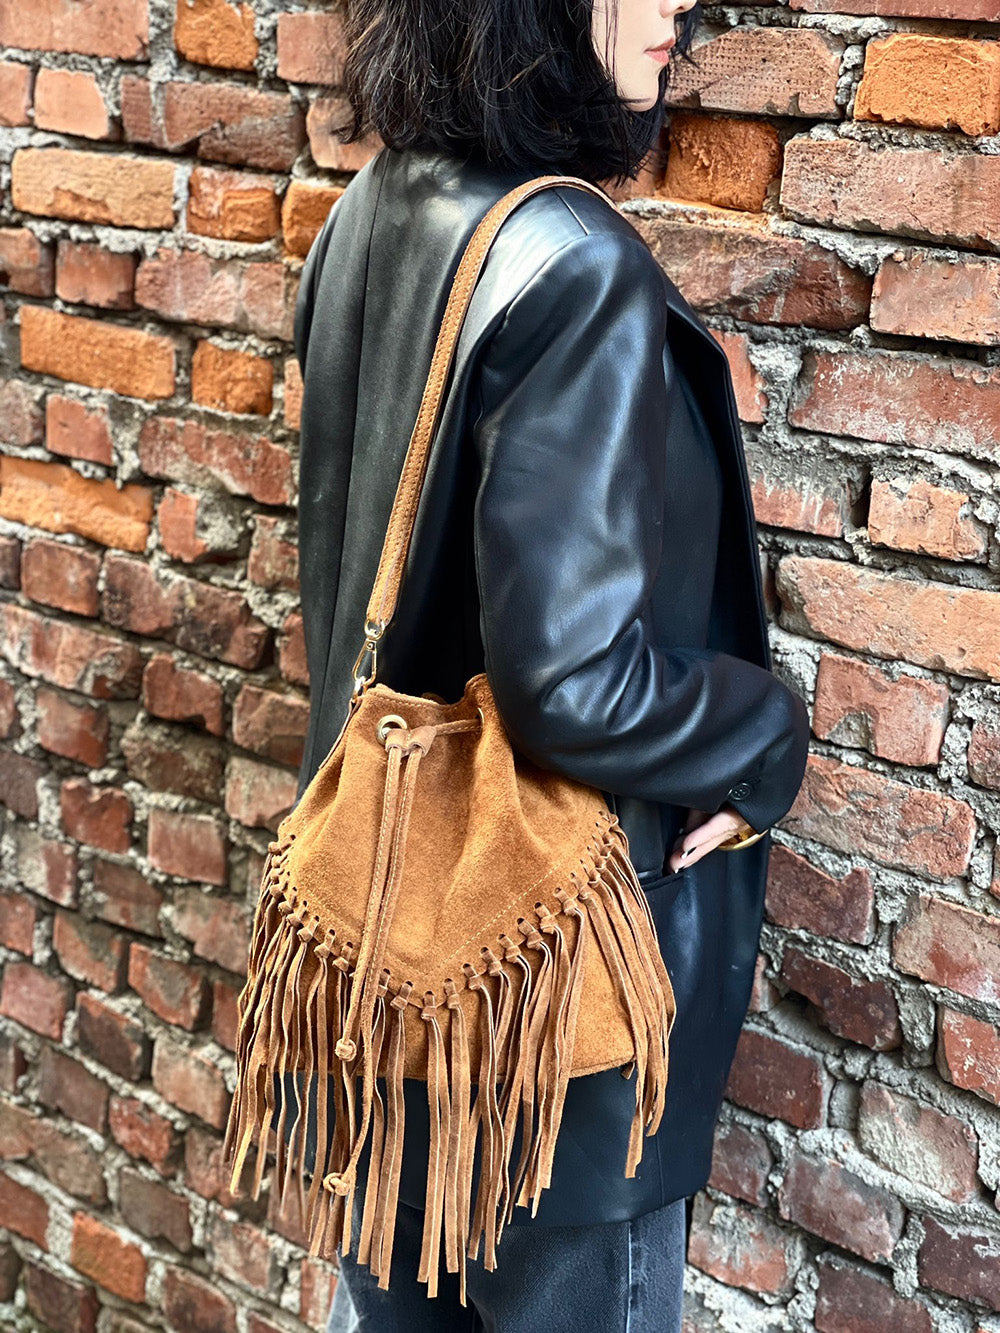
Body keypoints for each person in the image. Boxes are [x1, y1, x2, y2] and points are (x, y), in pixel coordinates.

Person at [285, 0, 812, 1328]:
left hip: (388, 957)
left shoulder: (368, 215)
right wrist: (763, 731)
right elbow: (571, 685)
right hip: (547, 1020)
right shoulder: (577, 268)